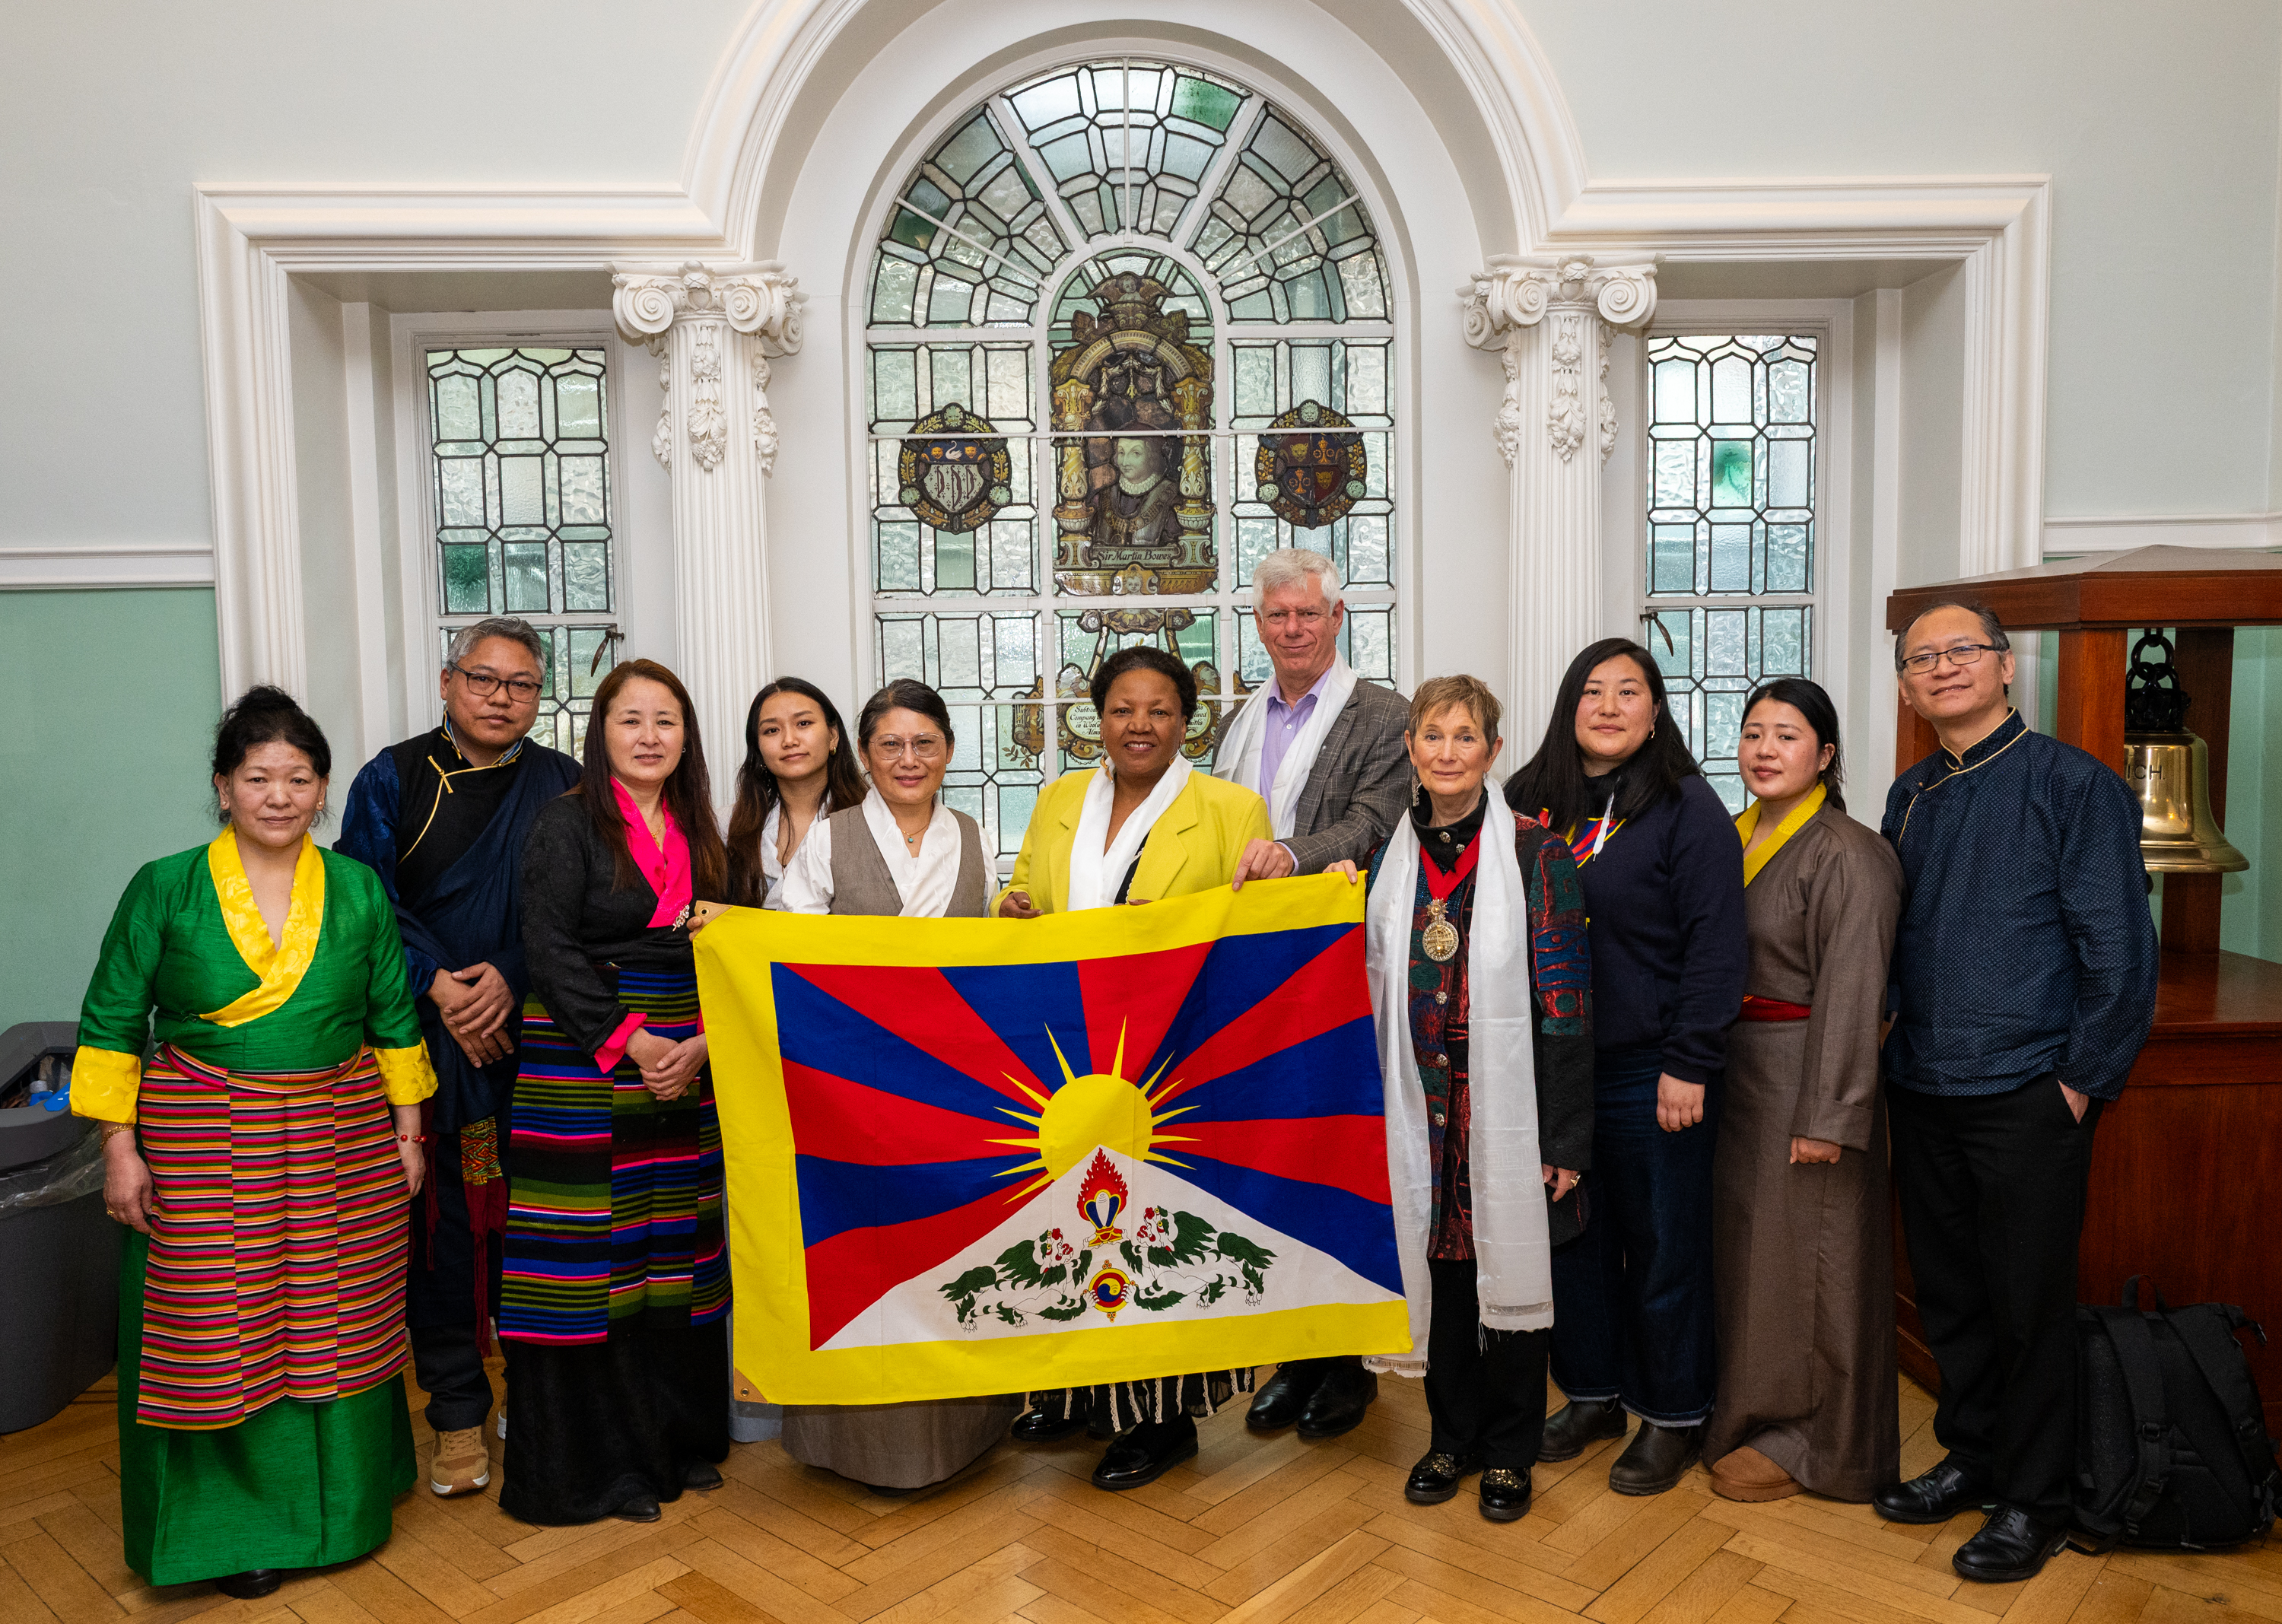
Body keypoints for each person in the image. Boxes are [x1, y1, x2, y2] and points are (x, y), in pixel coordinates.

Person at [71, 687, 437, 1599]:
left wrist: (409, 1129)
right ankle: (230, 1531)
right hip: (199, 1134)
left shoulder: (355, 887)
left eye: (299, 778)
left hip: (343, 1132)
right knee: (214, 1326)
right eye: (259, 776)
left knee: (341, 1313)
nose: (280, 795)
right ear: (223, 786)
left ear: (323, 790)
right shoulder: (165, 885)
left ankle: (345, 1506)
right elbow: (112, 1021)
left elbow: (392, 1014)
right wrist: (119, 1147)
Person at [1872, 601, 2158, 1581]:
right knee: (1951, 1295)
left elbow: (2120, 952)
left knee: (2028, 1305)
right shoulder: (1910, 792)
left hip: (2029, 1091)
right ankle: (1977, 1456)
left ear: (2004, 666)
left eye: (1965, 649)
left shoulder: (2074, 784)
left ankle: (2036, 1499)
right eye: (1924, 657)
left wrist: (2077, 1083)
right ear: (1907, 687)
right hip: (1922, 1083)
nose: (1944, 666)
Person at [999, 645, 1273, 1489]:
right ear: (1099, 718)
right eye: (1122, 708)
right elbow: (1018, 894)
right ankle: (1076, 1390)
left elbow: (1260, 942)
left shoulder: (1231, 808)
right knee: (1064, 1224)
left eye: (1159, 709)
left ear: (1188, 721)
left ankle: (1162, 1418)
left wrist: (1170, 937)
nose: (1139, 724)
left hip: (1171, 1065)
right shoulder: (1058, 799)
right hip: (1067, 1058)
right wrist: (1012, 907)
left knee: (1151, 1232)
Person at [1326, 675, 1590, 1522]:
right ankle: (1451, 1437)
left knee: (1509, 1267)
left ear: (1493, 750)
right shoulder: (1385, 856)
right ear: (1410, 748)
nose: (1447, 752)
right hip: (1415, 1099)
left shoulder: (1537, 852)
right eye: (1432, 735)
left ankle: (1510, 1451)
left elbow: (1568, 1002)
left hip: (1506, 1103)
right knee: (1439, 1273)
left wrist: (1566, 1138)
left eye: (1465, 736)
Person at [335, 617, 579, 1498]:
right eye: (483, 678)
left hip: (539, 1037)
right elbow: (362, 905)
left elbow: (580, 907)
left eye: (520, 684)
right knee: (438, 1229)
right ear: (448, 681)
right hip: (426, 1047)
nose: (500, 697)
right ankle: (455, 1409)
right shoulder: (391, 777)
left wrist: (508, 976)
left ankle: (534, 1391)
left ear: (538, 696)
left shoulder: (564, 782)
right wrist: (440, 985)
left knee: (538, 1220)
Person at [1503, 638, 1746, 1495]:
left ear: (1655, 710)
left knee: (1663, 1245)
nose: (1608, 707)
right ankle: (1594, 1394)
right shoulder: (1527, 801)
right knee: (1572, 1240)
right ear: (1569, 705)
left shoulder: (1687, 807)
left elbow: (1717, 946)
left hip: (1654, 1070)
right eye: (1592, 691)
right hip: (1550, 1069)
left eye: (1628, 691)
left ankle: (1673, 1412)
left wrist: (1690, 1060)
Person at [500, 658, 732, 1525]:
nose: (648, 736)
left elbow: (732, 944)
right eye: (630, 719)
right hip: (586, 1056)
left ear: (687, 737)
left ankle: (672, 1440)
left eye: (665, 720)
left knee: (674, 1257)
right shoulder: (565, 823)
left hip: (686, 1060)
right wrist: (632, 1040)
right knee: (587, 1264)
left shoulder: (701, 827)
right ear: (600, 733)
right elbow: (547, 946)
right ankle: (597, 1468)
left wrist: (700, 1044)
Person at [770, 679, 1019, 1489]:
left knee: (948, 1249)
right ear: (865, 754)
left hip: (953, 1089)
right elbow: (785, 954)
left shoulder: (974, 836)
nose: (908, 759)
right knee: (862, 1255)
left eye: (924, 743)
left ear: (948, 750)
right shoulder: (830, 838)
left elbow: (986, 958)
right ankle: (852, 1444)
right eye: (890, 744)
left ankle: (965, 1431)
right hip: (851, 1087)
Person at [1217, 548, 1413, 1441]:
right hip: (1251, 978)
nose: (1293, 628)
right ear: (1259, 625)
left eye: (1308, 613)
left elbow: (1372, 822)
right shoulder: (1237, 719)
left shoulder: (1386, 715)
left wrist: (1289, 856)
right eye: (1277, 615)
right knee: (1270, 1159)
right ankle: (1292, 1354)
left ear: (1338, 619)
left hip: (1341, 972)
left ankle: (1345, 1367)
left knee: (1335, 1157)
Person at [1701, 679, 1902, 1504]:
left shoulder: (1848, 852)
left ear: (1824, 755)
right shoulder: (1736, 833)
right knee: (1759, 1260)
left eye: (1787, 735)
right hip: (1741, 1070)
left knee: (1818, 1262)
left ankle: (1821, 1443)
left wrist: (1830, 1114)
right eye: (1754, 732)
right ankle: (1755, 1415)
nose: (1765, 749)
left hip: (1807, 1073)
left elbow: (1857, 991)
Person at [726, 676, 866, 909]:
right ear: (758, 748)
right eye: (772, 730)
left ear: (833, 736)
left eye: (803, 723)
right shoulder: (727, 827)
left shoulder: (869, 821)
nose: (789, 741)